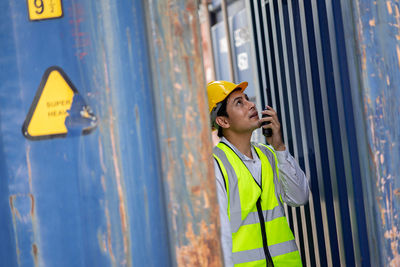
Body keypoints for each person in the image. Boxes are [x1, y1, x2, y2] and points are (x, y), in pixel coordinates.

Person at [207, 81, 310, 267]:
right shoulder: (216, 165)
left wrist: (279, 147)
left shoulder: (269, 154)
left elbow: (299, 197)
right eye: (239, 103)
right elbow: (220, 236)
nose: (251, 104)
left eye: (247, 99)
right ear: (223, 121)